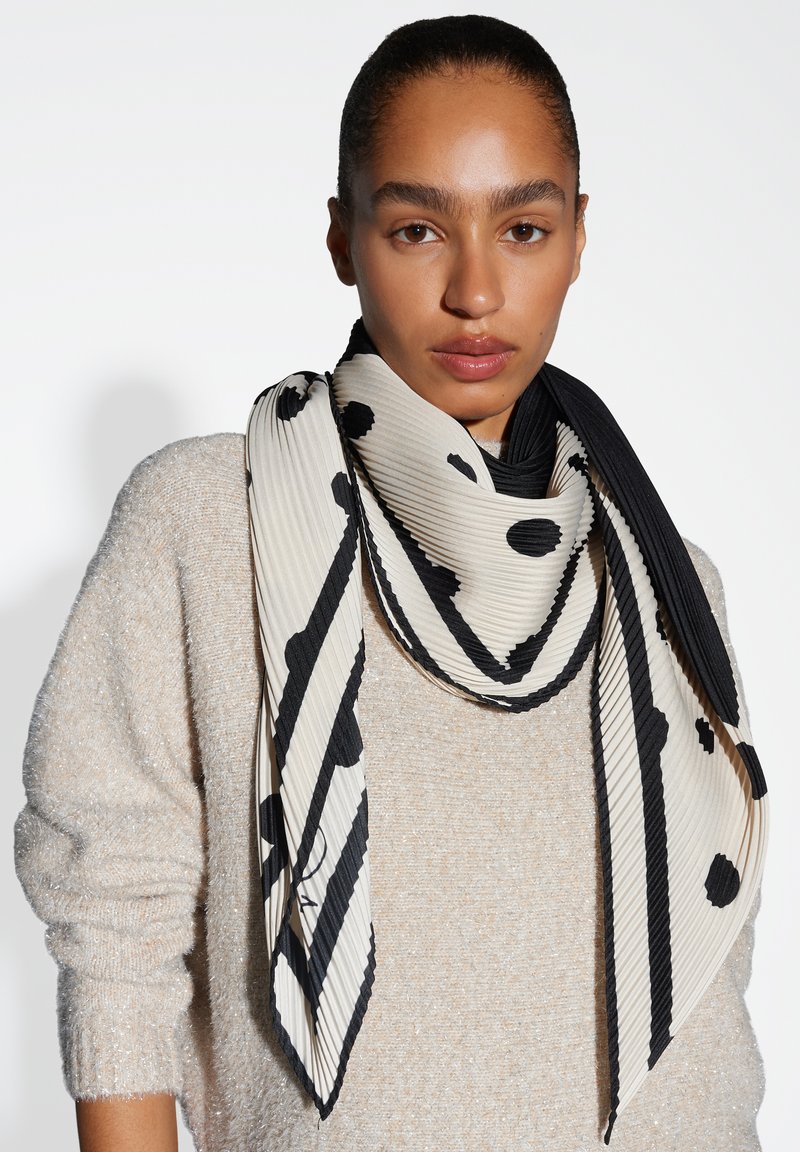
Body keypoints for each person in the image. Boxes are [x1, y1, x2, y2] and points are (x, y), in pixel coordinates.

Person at [14, 14, 767, 1152]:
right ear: (342, 238)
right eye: (418, 229)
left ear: (576, 238)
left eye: (522, 228)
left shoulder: (664, 575)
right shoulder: (208, 520)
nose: (476, 289)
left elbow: (709, 972)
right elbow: (113, 921)